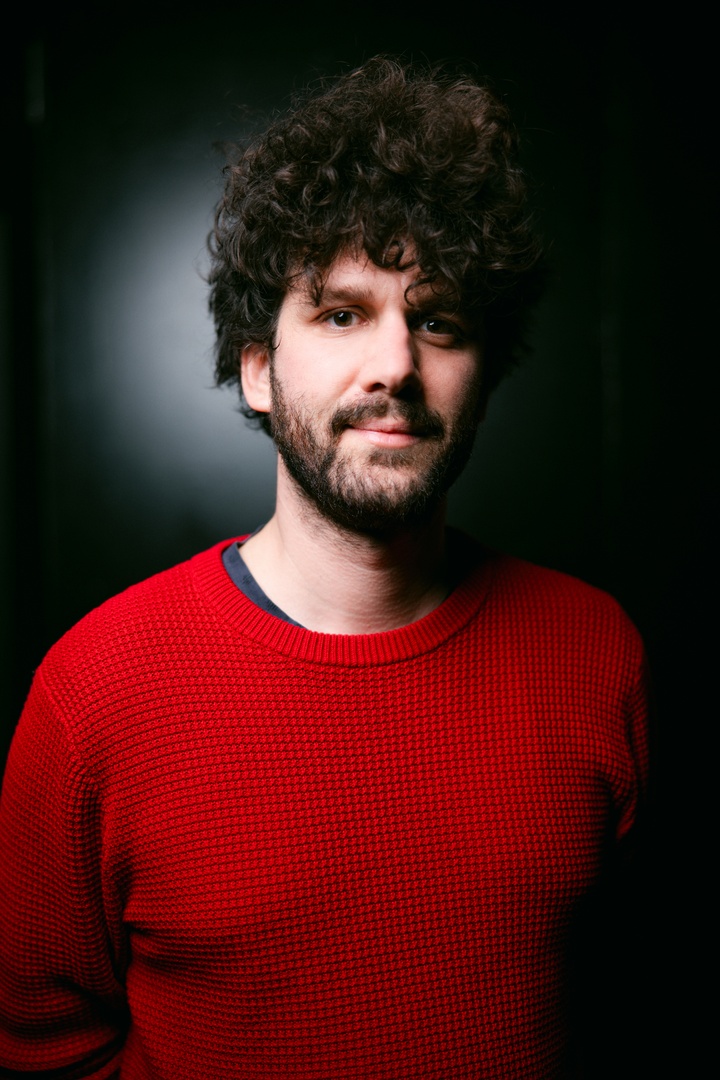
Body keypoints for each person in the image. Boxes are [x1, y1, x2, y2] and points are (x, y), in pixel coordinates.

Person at [0, 57, 649, 1078]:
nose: (395, 365)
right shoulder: (95, 694)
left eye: (438, 320)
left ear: (484, 375)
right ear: (259, 369)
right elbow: (43, 1049)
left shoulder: (597, 654)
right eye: (341, 313)